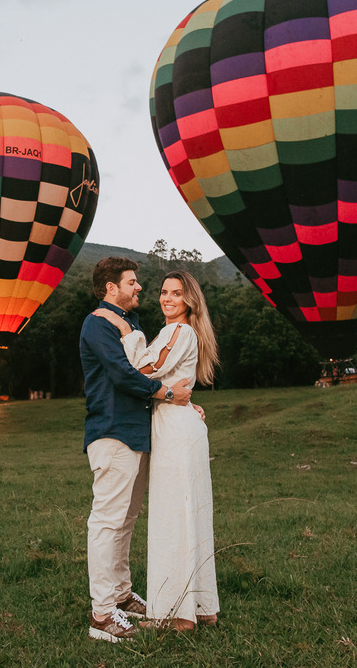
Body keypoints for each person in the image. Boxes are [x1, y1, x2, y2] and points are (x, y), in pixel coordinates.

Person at [94, 270, 220, 631]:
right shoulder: (185, 332)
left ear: (189, 300)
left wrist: (126, 331)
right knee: (190, 515)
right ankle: (202, 606)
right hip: (180, 424)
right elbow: (165, 376)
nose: (167, 299)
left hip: (174, 431)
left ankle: (177, 615)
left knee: (172, 518)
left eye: (176, 294)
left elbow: (143, 367)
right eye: (163, 292)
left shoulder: (177, 331)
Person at [80, 257, 195, 643]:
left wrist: (182, 400)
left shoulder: (130, 324)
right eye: (133, 282)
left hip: (137, 433)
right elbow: (121, 373)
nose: (140, 288)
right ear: (112, 288)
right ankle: (101, 614)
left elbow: (151, 368)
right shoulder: (97, 323)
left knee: (126, 520)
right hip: (112, 432)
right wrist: (166, 393)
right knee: (107, 521)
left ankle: (121, 595)